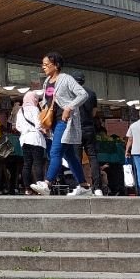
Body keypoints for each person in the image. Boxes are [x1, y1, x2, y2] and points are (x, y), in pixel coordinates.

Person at [30, 52, 91, 197]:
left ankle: (47, 183)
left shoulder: (66, 79)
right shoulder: (47, 81)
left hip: (66, 122)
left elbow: (83, 94)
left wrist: (69, 107)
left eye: (46, 64)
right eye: (43, 64)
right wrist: (44, 120)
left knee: (55, 152)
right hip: (54, 122)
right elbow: (47, 101)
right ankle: (84, 186)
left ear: (56, 65)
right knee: (69, 155)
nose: (43, 67)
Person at [73, 74, 104, 195]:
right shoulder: (91, 93)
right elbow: (94, 112)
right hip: (89, 128)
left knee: (77, 158)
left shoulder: (71, 93)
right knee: (93, 157)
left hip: (76, 129)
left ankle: (80, 185)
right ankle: (97, 188)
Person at [14, 91, 47, 194]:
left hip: (24, 139)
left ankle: (27, 188)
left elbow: (17, 126)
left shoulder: (20, 111)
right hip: (35, 139)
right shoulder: (35, 109)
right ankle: (40, 186)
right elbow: (38, 124)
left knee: (27, 164)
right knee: (37, 163)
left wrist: (25, 130)